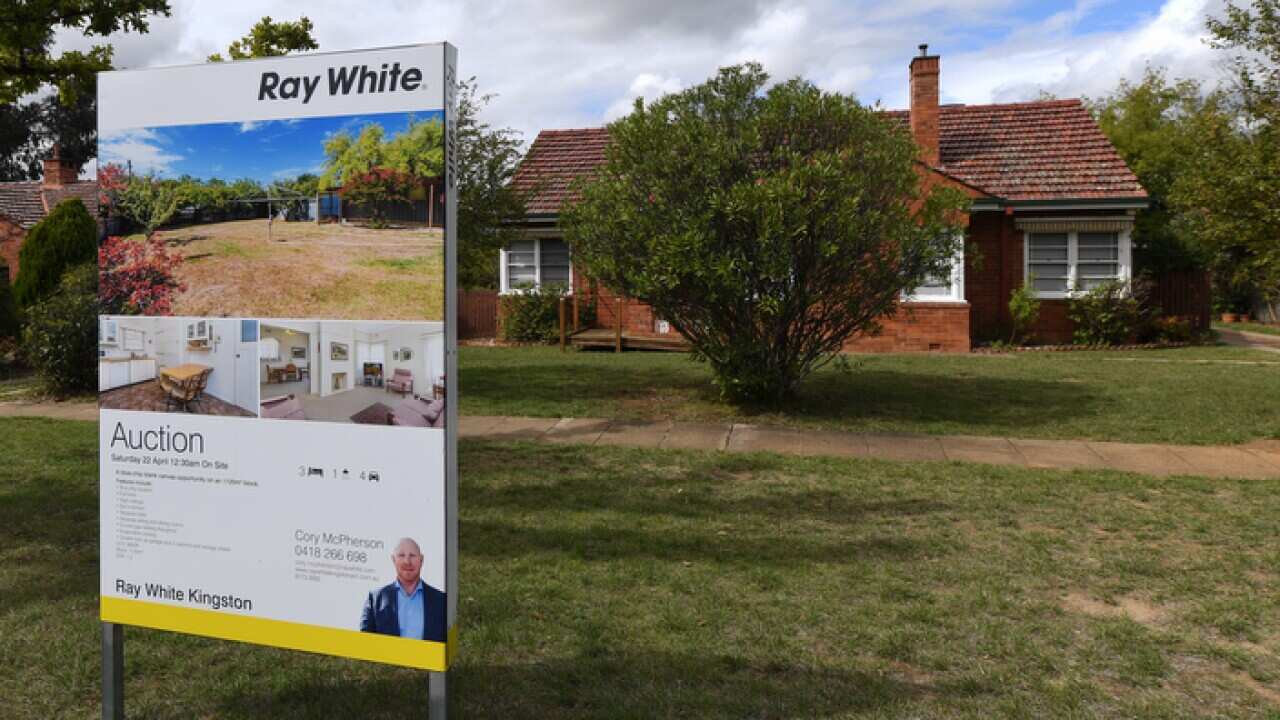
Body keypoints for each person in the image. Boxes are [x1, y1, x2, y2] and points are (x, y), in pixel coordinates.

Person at [360, 537, 446, 642]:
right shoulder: (375, 599)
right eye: (401, 555)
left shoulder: (441, 601)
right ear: (393, 559)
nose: (407, 561)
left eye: (412, 555)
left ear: (421, 559)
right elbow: (366, 642)